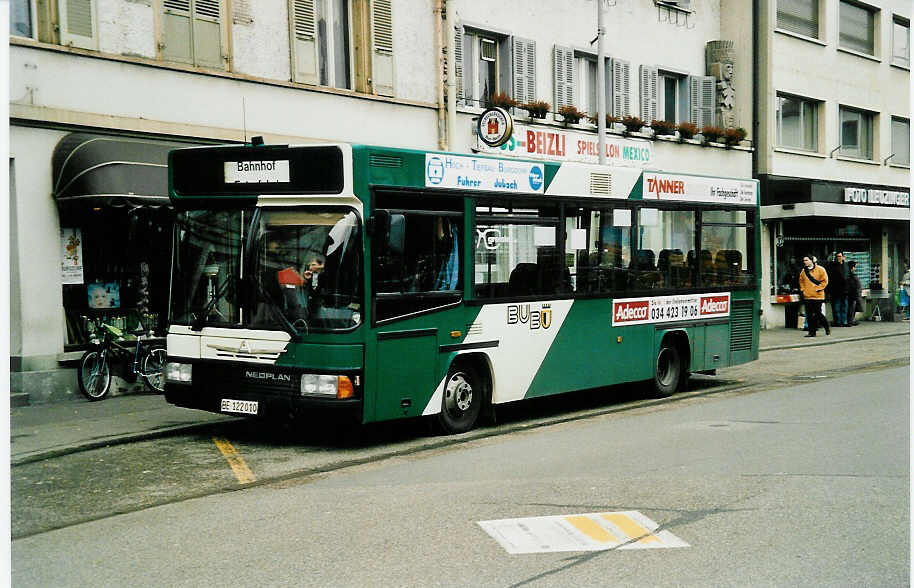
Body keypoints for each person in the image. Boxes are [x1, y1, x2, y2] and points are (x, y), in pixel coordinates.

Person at [277, 252, 325, 322]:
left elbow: (315, 294)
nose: (311, 269)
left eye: (313, 265)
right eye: (309, 266)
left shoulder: (313, 281)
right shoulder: (289, 277)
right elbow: (293, 304)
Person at [798, 255, 829, 337]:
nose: (805, 262)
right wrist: (803, 290)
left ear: (811, 260)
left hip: (818, 296)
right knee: (809, 315)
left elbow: (825, 281)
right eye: (804, 260)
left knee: (818, 313)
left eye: (806, 260)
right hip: (807, 296)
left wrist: (818, 288)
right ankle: (812, 332)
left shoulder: (821, 269)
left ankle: (826, 326)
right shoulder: (803, 271)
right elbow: (801, 281)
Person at [825, 251, 848, 327]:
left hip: (845, 290)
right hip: (836, 290)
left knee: (844, 306)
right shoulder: (832, 266)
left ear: (843, 257)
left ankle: (843, 321)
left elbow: (847, 277)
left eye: (840, 256)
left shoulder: (845, 265)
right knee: (836, 307)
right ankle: (838, 322)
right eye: (837, 256)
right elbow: (831, 278)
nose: (839, 258)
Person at [846, 260, 862, 326]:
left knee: (852, 308)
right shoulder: (850, 276)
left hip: (853, 294)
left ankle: (851, 320)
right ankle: (850, 320)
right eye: (854, 267)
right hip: (852, 294)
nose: (855, 268)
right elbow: (853, 286)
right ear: (852, 268)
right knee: (851, 308)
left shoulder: (851, 275)